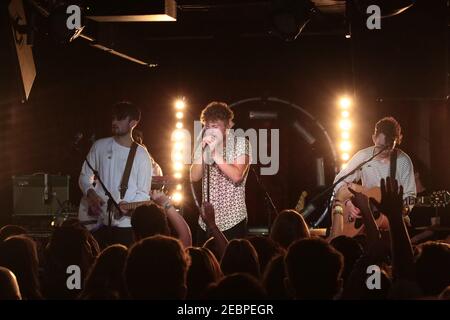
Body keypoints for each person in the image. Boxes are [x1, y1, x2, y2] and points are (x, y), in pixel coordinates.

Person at [78, 101, 152, 247]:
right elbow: (84, 177)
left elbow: (143, 193)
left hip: (125, 226)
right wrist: (91, 194)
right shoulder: (99, 146)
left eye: (120, 118)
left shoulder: (141, 155)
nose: (114, 122)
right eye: (113, 118)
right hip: (97, 223)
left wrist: (127, 207)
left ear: (133, 123)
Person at [331, 116, 416, 238]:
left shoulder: (403, 161)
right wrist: (349, 204)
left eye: (389, 147)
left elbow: (410, 195)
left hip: (393, 221)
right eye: (380, 146)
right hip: (366, 217)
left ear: (398, 140)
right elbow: (338, 182)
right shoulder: (363, 156)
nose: (384, 151)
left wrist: (403, 210)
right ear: (373, 138)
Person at [190, 101, 251, 243]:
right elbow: (194, 176)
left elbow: (237, 176)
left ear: (228, 126)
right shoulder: (203, 146)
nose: (211, 131)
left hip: (233, 220)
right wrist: (204, 152)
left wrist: (215, 153)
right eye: (208, 126)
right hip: (205, 221)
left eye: (215, 126)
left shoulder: (240, 143)